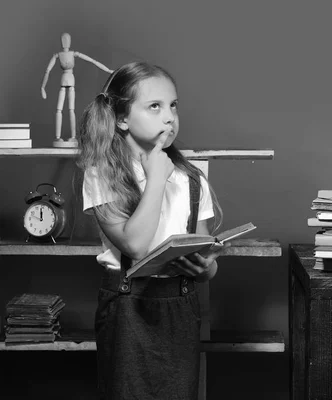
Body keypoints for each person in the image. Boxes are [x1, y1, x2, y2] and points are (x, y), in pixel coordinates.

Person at [76, 61, 227, 400]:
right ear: (122, 118)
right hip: (128, 307)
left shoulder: (191, 179)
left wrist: (206, 267)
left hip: (180, 307)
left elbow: (202, 250)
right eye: (155, 106)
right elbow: (136, 246)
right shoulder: (103, 174)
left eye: (173, 105)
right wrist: (157, 177)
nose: (169, 117)